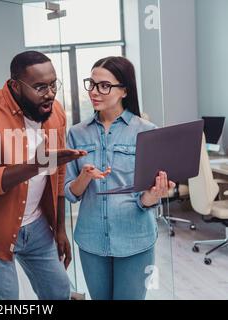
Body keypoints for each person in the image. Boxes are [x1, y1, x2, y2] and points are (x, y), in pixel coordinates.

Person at [0, 51, 85, 300]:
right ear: (15, 86)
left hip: (38, 226)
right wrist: (34, 165)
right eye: (39, 87)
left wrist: (60, 229)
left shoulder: (55, 112)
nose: (49, 93)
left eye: (52, 84)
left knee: (59, 291)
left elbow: (58, 174)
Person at [64, 56, 175, 300]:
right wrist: (84, 176)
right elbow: (71, 193)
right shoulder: (76, 133)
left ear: (124, 90)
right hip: (91, 240)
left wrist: (154, 194)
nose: (94, 91)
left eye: (104, 85)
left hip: (135, 239)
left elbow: (144, 200)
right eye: (91, 84)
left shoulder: (147, 131)